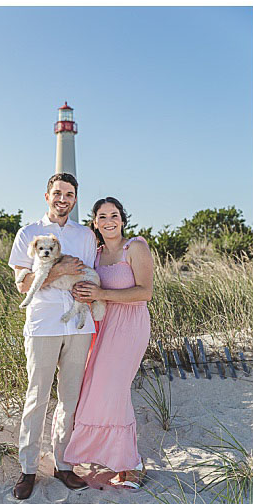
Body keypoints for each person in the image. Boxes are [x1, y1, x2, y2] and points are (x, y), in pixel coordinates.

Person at [8, 172, 97, 500]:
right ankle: (28, 469)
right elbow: (23, 283)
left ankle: (64, 464)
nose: (63, 199)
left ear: (75, 199)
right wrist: (58, 271)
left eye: (70, 194)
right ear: (47, 196)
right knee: (37, 397)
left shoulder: (86, 235)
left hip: (78, 325)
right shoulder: (28, 233)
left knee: (69, 398)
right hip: (43, 324)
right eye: (58, 193)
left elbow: (87, 275)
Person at [63, 197, 154, 489]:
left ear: (123, 220)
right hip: (102, 326)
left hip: (130, 325)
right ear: (95, 223)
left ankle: (132, 464)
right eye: (102, 216)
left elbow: (145, 293)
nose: (109, 221)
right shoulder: (96, 254)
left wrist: (101, 295)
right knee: (94, 389)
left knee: (114, 390)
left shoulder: (136, 247)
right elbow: (90, 287)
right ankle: (109, 458)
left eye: (114, 215)